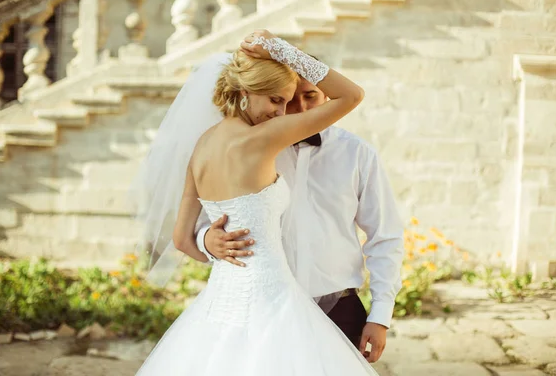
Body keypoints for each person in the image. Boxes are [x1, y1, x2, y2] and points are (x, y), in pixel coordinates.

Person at [133, 30, 378, 375]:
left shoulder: (201, 146)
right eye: (275, 100)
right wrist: (282, 50)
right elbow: (351, 95)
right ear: (246, 92)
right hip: (272, 296)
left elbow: (181, 240)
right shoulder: (264, 139)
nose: (282, 112)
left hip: (221, 299)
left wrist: (209, 241)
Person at [195, 74, 405, 361]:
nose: (302, 108)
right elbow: (209, 214)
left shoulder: (358, 154)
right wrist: (206, 239)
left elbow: (385, 235)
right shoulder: (248, 149)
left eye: (311, 96)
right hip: (266, 309)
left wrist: (380, 315)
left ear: (327, 97)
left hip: (339, 308)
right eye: (290, 99)